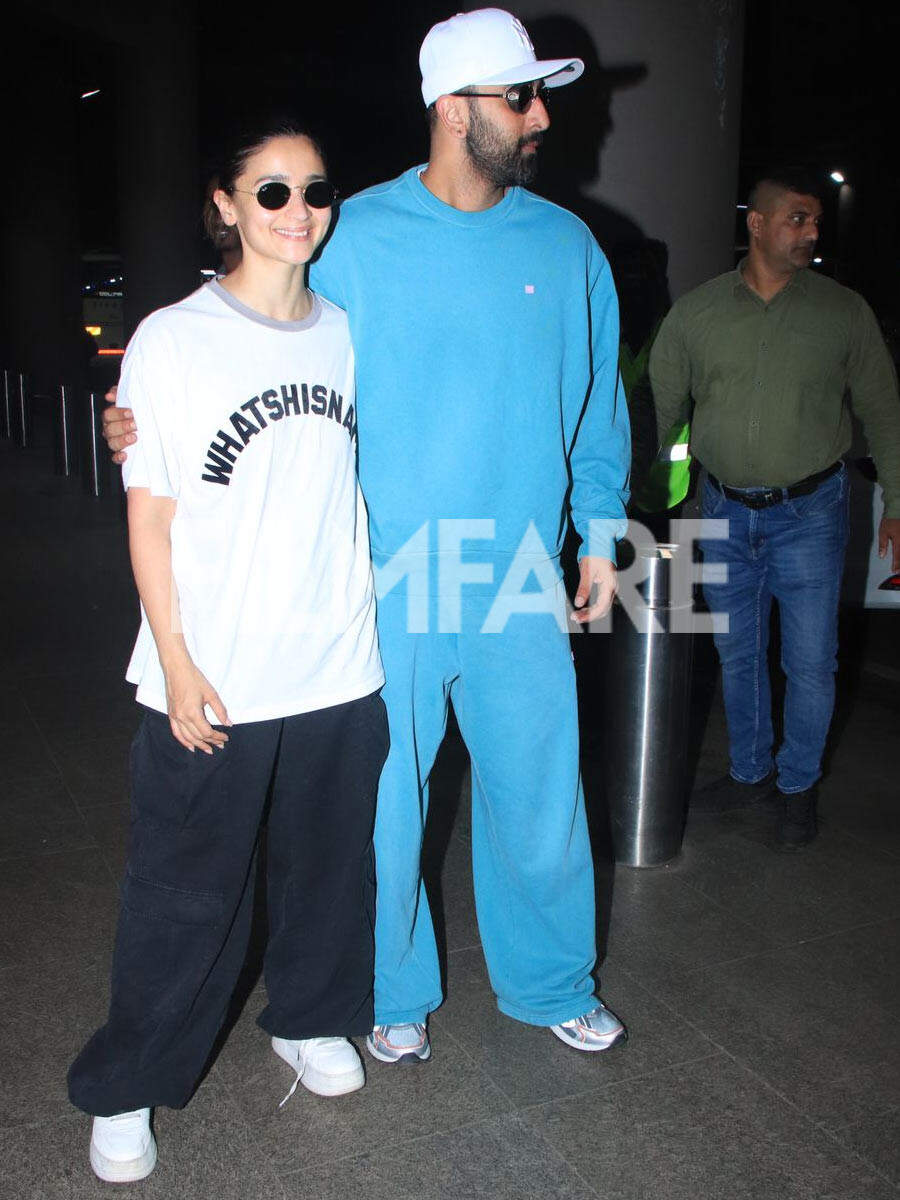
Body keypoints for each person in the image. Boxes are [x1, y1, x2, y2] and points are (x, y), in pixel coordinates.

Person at [103, 8, 631, 1066]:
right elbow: (254, 329)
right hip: (382, 573)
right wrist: (142, 415)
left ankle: (551, 982)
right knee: (388, 807)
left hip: (520, 573)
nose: (539, 118)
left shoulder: (568, 244)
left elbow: (596, 401)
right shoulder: (355, 235)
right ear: (451, 108)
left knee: (542, 796)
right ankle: (392, 990)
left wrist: (602, 536)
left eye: (541, 97)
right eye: (518, 96)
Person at [69, 121, 388, 1183]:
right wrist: (176, 659)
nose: (298, 210)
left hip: (338, 662)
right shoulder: (173, 338)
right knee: (183, 891)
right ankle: (127, 1085)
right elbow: (149, 514)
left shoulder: (351, 332)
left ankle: (308, 1016)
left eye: (315, 189)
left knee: (330, 874)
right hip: (213, 667)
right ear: (226, 204)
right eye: (272, 192)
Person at [649, 170, 900, 850]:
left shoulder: (841, 312)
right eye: (797, 218)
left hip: (810, 512)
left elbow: (882, 408)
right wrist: (665, 502)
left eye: (816, 221)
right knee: (737, 655)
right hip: (724, 509)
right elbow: (667, 417)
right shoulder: (697, 314)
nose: (812, 232)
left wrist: (897, 505)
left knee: (812, 662)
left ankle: (796, 787)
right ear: (756, 225)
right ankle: (750, 772)